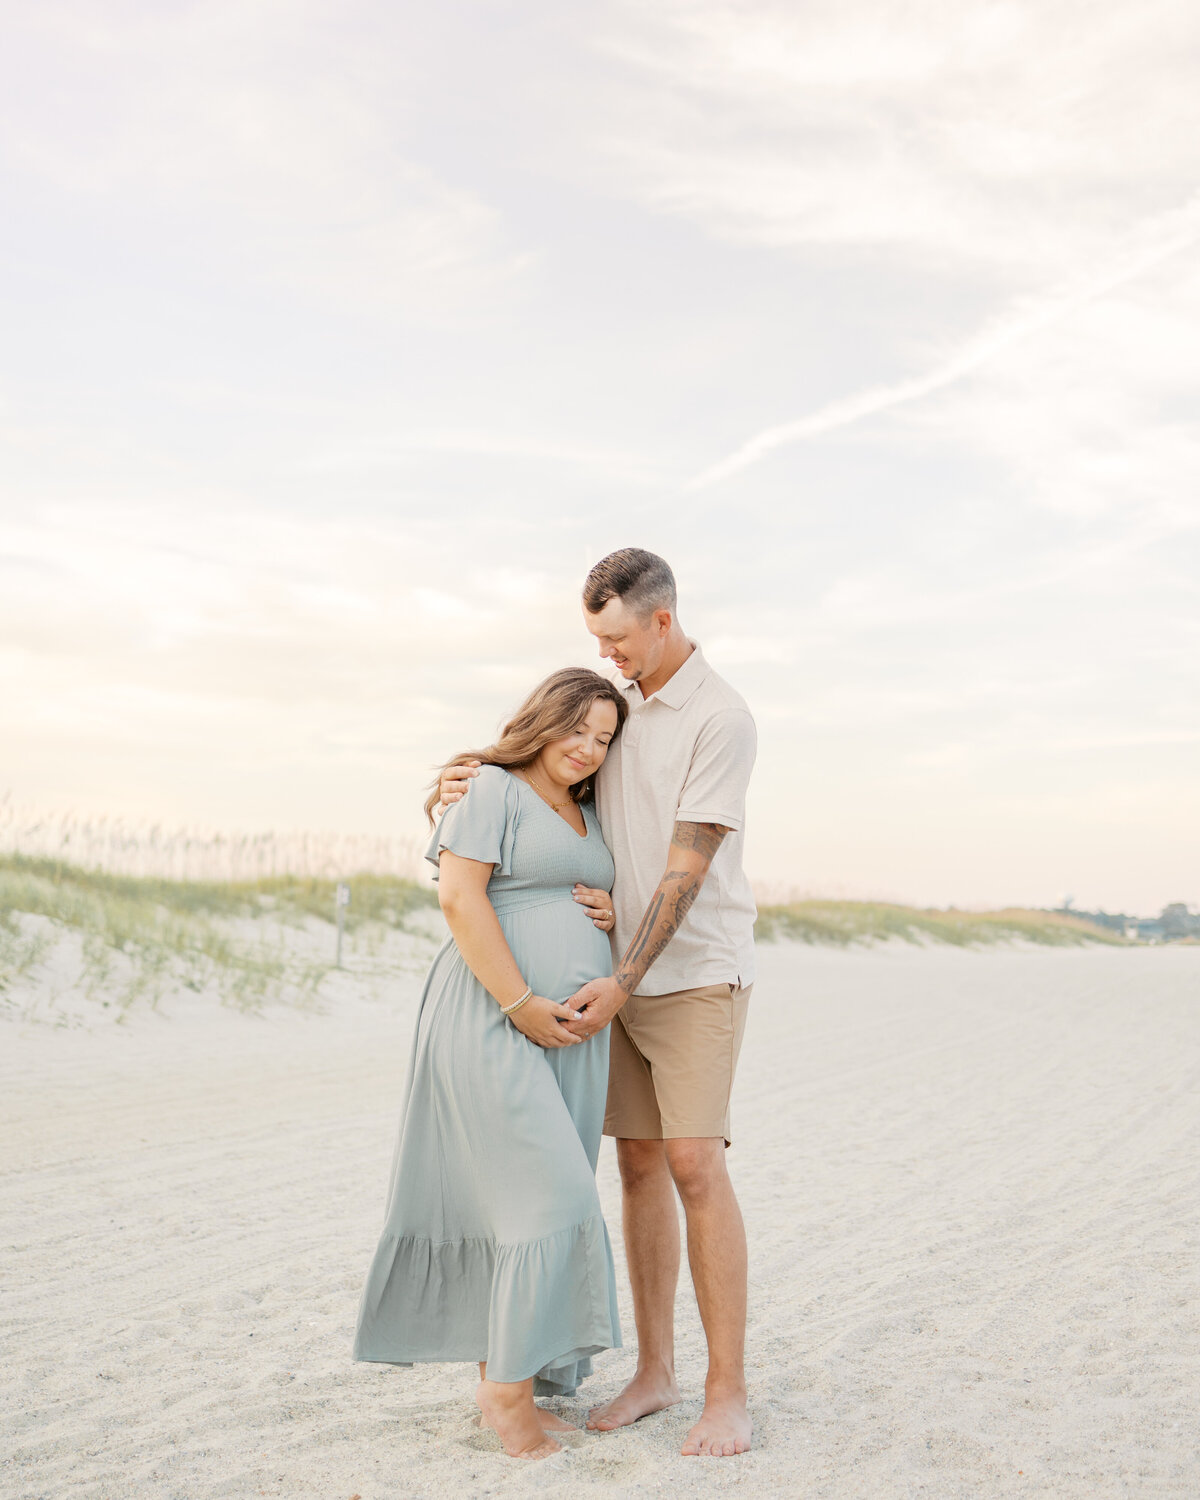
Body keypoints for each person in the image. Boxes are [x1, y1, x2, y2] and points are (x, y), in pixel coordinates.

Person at [439, 548, 757, 1458]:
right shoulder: (610, 712)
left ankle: (726, 1392)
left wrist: (626, 976)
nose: (609, 655)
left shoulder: (721, 717)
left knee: (697, 1163)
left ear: (661, 620)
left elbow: (686, 869)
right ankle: (654, 1372)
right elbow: (543, 776)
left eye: (617, 638)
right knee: (639, 1169)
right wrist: (467, 779)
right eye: (596, 641)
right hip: (606, 982)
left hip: (691, 971)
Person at [352, 667, 629, 1461]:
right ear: (541, 721)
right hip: (492, 1016)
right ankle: (506, 1397)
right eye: (576, 729)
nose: (587, 748)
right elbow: (460, 897)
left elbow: (580, 887)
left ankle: (507, 1372)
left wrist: (610, 910)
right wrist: (520, 1004)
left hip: (570, 1034)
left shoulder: (584, 811)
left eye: (604, 738)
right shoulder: (493, 789)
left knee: (518, 1203)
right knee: (554, 1193)